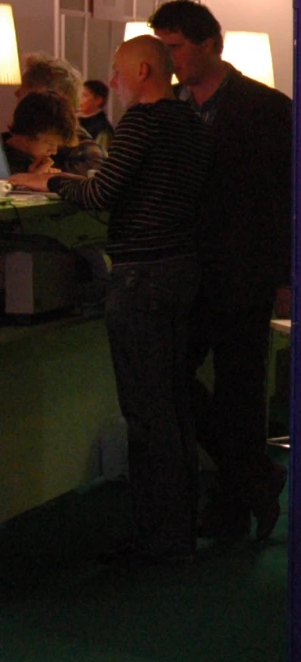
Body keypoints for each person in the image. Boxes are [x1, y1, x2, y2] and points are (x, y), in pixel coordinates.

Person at [12, 37, 214, 562]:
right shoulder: (192, 122)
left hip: (141, 278)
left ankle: (158, 538)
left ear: (142, 70)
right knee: (173, 403)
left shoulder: (143, 123)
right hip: (180, 272)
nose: (113, 83)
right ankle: (181, 526)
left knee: (146, 411)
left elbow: (102, 196)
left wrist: (52, 180)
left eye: (117, 73)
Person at [150, 0, 293, 542]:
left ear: (208, 42)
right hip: (187, 271)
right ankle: (254, 478)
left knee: (241, 391)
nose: (170, 58)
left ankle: (237, 501)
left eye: (176, 46)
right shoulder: (171, 109)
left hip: (243, 271)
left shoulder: (266, 108)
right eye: (164, 47)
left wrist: (283, 277)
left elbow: (282, 199)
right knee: (170, 377)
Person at [4, 89, 74, 176]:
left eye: (57, 144)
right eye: (49, 142)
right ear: (28, 132)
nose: (54, 151)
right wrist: (31, 180)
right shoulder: (4, 161)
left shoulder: (54, 161)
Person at [79, 77, 114, 144]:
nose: (79, 99)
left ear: (98, 100)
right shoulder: (76, 120)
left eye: (84, 95)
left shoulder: (103, 129)